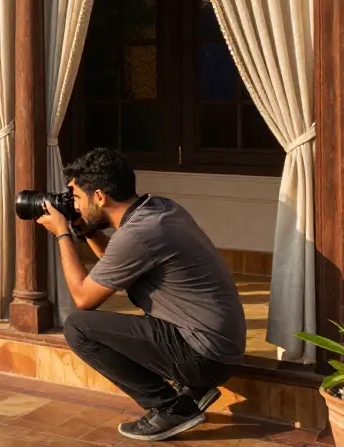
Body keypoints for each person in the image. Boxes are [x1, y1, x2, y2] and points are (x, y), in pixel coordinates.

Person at [35, 147, 245, 442]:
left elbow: (83, 298)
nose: (74, 206)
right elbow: (118, 263)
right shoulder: (159, 209)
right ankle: (194, 389)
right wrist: (84, 230)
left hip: (205, 355)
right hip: (219, 346)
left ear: (99, 196)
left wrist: (62, 233)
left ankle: (171, 407)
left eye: (77, 198)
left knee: (78, 326)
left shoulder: (136, 235)